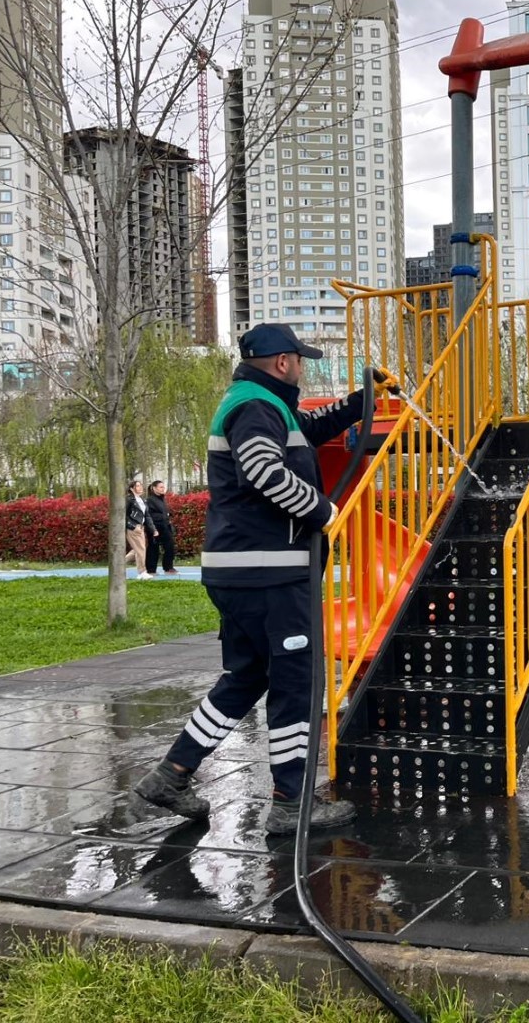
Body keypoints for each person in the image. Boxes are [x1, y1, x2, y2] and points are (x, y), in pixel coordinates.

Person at [132, 323, 395, 837]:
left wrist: (362, 400)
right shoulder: (255, 407)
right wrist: (325, 512)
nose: (303, 366)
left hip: (244, 570)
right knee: (296, 684)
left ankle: (170, 775)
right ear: (282, 362)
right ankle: (290, 801)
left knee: (246, 678)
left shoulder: (260, 401)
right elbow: (264, 472)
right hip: (269, 574)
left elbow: (310, 431)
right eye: (301, 359)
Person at [124, 479, 157, 580]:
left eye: (141, 485)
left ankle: (118, 564)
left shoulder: (142, 500)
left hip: (141, 528)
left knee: (138, 550)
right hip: (134, 528)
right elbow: (123, 515)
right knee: (141, 550)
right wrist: (132, 526)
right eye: (137, 486)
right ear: (131, 488)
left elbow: (147, 516)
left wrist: (153, 529)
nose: (140, 487)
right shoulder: (129, 500)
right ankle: (142, 572)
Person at [145, 480, 178, 575]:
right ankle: (151, 570)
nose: (163, 489)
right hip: (155, 528)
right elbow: (149, 515)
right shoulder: (150, 500)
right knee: (153, 548)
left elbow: (164, 513)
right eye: (161, 487)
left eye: (163, 487)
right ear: (154, 488)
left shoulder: (163, 499)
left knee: (170, 546)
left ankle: (168, 567)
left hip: (165, 527)